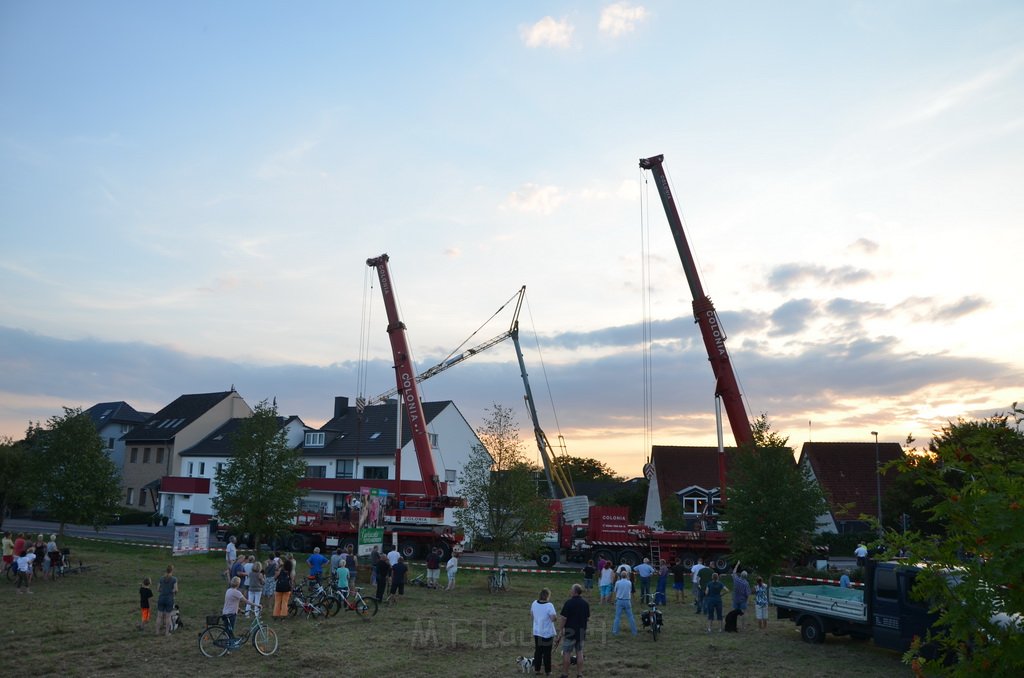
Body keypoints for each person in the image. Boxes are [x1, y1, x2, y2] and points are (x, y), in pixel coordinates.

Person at [559, 583, 590, 678]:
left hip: (570, 632)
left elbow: (564, 618)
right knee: (579, 653)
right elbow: (587, 618)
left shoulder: (568, 603)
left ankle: (565, 674)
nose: (570, 591)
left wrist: (561, 630)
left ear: (575, 591)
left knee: (567, 653)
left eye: (571, 589)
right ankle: (580, 674)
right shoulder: (585, 603)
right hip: (581, 632)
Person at [530, 588, 558, 676]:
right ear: (547, 596)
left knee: (538, 651)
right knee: (547, 652)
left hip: (537, 631)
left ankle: (537, 669)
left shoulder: (534, 603)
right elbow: (554, 618)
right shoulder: (549, 605)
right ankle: (548, 671)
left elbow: (532, 614)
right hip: (547, 633)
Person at [222, 576, 255, 648]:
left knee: (228, 630)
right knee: (229, 631)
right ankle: (228, 647)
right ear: (238, 584)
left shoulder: (228, 590)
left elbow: (231, 603)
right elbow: (246, 601)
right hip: (231, 614)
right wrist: (256, 605)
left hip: (225, 613)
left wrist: (240, 610)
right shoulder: (236, 592)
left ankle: (229, 645)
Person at [612, 570, 638, 636]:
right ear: (627, 576)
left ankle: (615, 632)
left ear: (620, 576)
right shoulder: (629, 582)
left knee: (617, 617)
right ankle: (634, 632)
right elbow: (630, 590)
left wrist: (615, 599)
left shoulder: (617, 583)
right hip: (627, 600)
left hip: (619, 600)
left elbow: (615, 591)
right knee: (630, 616)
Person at [154, 564, 178, 636]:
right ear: (172, 571)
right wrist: (171, 591)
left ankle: (157, 632)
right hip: (169, 599)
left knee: (159, 616)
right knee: (168, 617)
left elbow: (158, 589)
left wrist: (164, 590)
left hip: (161, 598)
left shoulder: (161, 578)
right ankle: (166, 632)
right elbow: (176, 589)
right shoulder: (174, 579)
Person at [731, 564, 750, 629]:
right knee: (742, 613)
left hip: (735, 599)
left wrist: (737, 564)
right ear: (746, 576)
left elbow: (733, 572)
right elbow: (747, 594)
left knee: (734, 613)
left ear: (740, 575)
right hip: (742, 600)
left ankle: (734, 625)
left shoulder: (736, 579)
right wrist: (747, 600)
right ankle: (743, 626)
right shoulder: (746, 583)